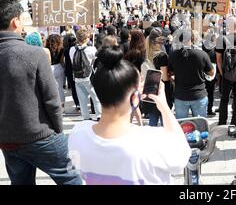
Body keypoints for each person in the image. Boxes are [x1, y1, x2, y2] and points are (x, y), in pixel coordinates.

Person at [68, 46, 190, 185]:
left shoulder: (78, 134)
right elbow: (182, 157)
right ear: (134, 98)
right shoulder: (152, 140)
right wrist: (164, 106)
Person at [0, 0, 81, 185]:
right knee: (71, 180)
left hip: (7, 139)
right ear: (15, 22)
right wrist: (58, 131)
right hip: (40, 135)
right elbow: (52, 100)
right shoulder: (34, 54)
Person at [169, 30, 215, 119]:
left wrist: (174, 81)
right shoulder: (202, 54)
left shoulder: (174, 55)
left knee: (181, 126)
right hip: (198, 95)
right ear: (193, 39)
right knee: (201, 127)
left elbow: (169, 73)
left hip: (181, 95)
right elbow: (211, 72)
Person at [215, 17, 236, 127]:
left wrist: (222, 73)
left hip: (226, 74)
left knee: (224, 99)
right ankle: (234, 123)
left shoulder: (222, 39)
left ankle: (222, 122)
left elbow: (219, 59)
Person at [141, 28, 172, 126]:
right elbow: (165, 78)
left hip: (150, 90)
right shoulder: (162, 56)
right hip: (162, 91)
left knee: (153, 119)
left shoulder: (145, 55)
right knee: (164, 119)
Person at [70, 28, 102, 121]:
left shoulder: (72, 49)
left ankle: (86, 117)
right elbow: (96, 59)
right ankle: (99, 115)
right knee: (95, 97)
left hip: (77, 77)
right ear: (87, 38)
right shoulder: (91, 49)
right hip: (88, 77)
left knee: (82, 99)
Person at [46, 34, 66, 109]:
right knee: (60, 88)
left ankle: (52, 105)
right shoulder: (62, 49)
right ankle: (62, 106)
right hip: (59, 67)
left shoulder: (46, 49)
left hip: (49, 68)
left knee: (50, 88)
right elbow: (61, 61)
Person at [64, 33, 80, 112]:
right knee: (79, 87)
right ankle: (80, 103)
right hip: (77, 70)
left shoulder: (66, 50)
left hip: (69, 70)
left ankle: (77, 104)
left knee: (73, 88)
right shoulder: (78, 49)